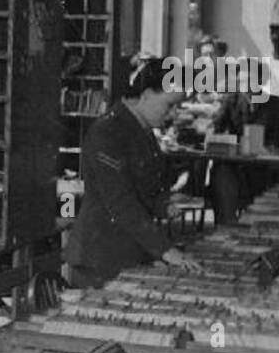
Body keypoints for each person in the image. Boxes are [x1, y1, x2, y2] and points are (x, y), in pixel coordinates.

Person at [66, 57, 200, 288]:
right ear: (147, 94)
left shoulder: (143, 129)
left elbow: (142, 186)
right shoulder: (107, 132)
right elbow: (120, 202)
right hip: (100, 257)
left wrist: (163, 204)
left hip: (130, 250)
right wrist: (166, 250)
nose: (174, 114)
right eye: (170, 105)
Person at [207, 83, 279, 225]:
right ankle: (227, 224)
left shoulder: (274, 104)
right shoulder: (231, 100)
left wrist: (267, 148)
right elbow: (217, 128)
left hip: (265, 167)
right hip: (238, 165)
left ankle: (255, 222)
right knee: (221, 171)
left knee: (251, 176)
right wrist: (215, 133)